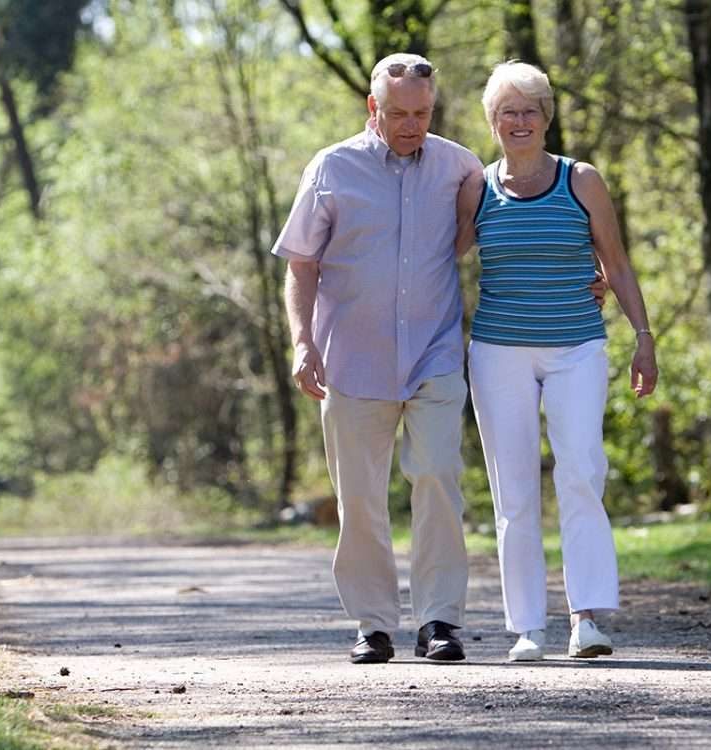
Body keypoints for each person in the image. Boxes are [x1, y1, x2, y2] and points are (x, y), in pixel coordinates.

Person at [271, 53, 484, 664]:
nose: (412, 124)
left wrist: (589, 272)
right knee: (360, 496)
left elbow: (505, 225)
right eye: (399, 113)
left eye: (422, 112)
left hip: (434, 354)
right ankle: (373, 623)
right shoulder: (332, 168)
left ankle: (440, 620)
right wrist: (302, 342)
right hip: (351, 361)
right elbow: (301, 265)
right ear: (373, 108)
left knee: (439, 478)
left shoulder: (459, 166)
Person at [456, 61, 658, 661]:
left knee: (581, 471)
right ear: (492, 122)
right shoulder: (477, 187)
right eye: (507, 112)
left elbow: (616, 264)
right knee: (513, 490)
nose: (519, 121)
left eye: (530, 111)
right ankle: (526, 628)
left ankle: (587, 618)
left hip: (577, 347)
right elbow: (440, 258)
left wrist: (643, 336)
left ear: (547, 118)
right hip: (497, 353)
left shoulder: (582, 180)